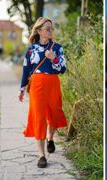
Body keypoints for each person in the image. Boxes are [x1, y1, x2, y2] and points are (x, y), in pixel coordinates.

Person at [18, 17, 67, 168]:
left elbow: (63, 69)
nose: (50, 31)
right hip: (37, 85)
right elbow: (26, 69)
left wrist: (54, 59)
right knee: (38, 117)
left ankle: (50, 137)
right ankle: (41, 155)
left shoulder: (57, 48)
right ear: (39, 31)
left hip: (53, 83)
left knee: (55, 113)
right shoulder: (32, 49)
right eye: (47, 28)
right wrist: (22, 88)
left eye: (51, 28)